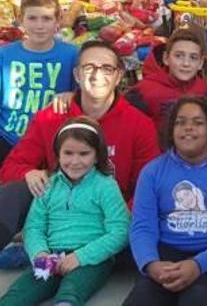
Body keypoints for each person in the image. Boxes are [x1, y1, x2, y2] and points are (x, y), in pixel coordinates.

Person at [0, 41, 158, 259]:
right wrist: (29, 173)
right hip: (58, 215)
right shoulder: (51, 117)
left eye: (106, 68)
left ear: (118, 76)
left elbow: (148, 185)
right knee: (12, 193)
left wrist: (118, 223)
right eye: (89, 68)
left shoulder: (139, 124)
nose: (96, 75)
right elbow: (10, 167)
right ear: (76, 74)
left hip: (110, 217)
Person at [125, 97, 207, 306]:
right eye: (180, 122)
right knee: (141, 299)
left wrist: (197, 265)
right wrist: (151, 265)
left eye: (198, 122)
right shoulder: (152, 172)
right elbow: (142, 227)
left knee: (195, 297)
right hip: (166, 255)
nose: (188, 128)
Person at [0, 118, 129, 306]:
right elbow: (34, 227)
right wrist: (40, 253)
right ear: (58, 154)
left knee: (72, 290)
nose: (75, 161)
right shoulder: (49, 186)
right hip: (51, 254)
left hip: (90, 259)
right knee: (19, 292)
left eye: (84, 153)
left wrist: (80, 257)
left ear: (97, 155)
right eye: (68, 153)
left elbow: (121, 230)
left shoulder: (105, 186)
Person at [0, 0, 77, 160]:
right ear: (21, 20)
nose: (39, 26)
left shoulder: (72, 55)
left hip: (53, 140)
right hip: (8, 138)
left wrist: (73, 95)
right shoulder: (5, 55)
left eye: (47, 18)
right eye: (32, 18)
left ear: (58, 20)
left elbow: (84, 96)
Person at [125, 27, 207, 130]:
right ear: (166, 58)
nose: (186, 63)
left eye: (193, 58)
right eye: (179, 56)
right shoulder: (143, 92)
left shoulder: (204, 89)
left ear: (200, 63)